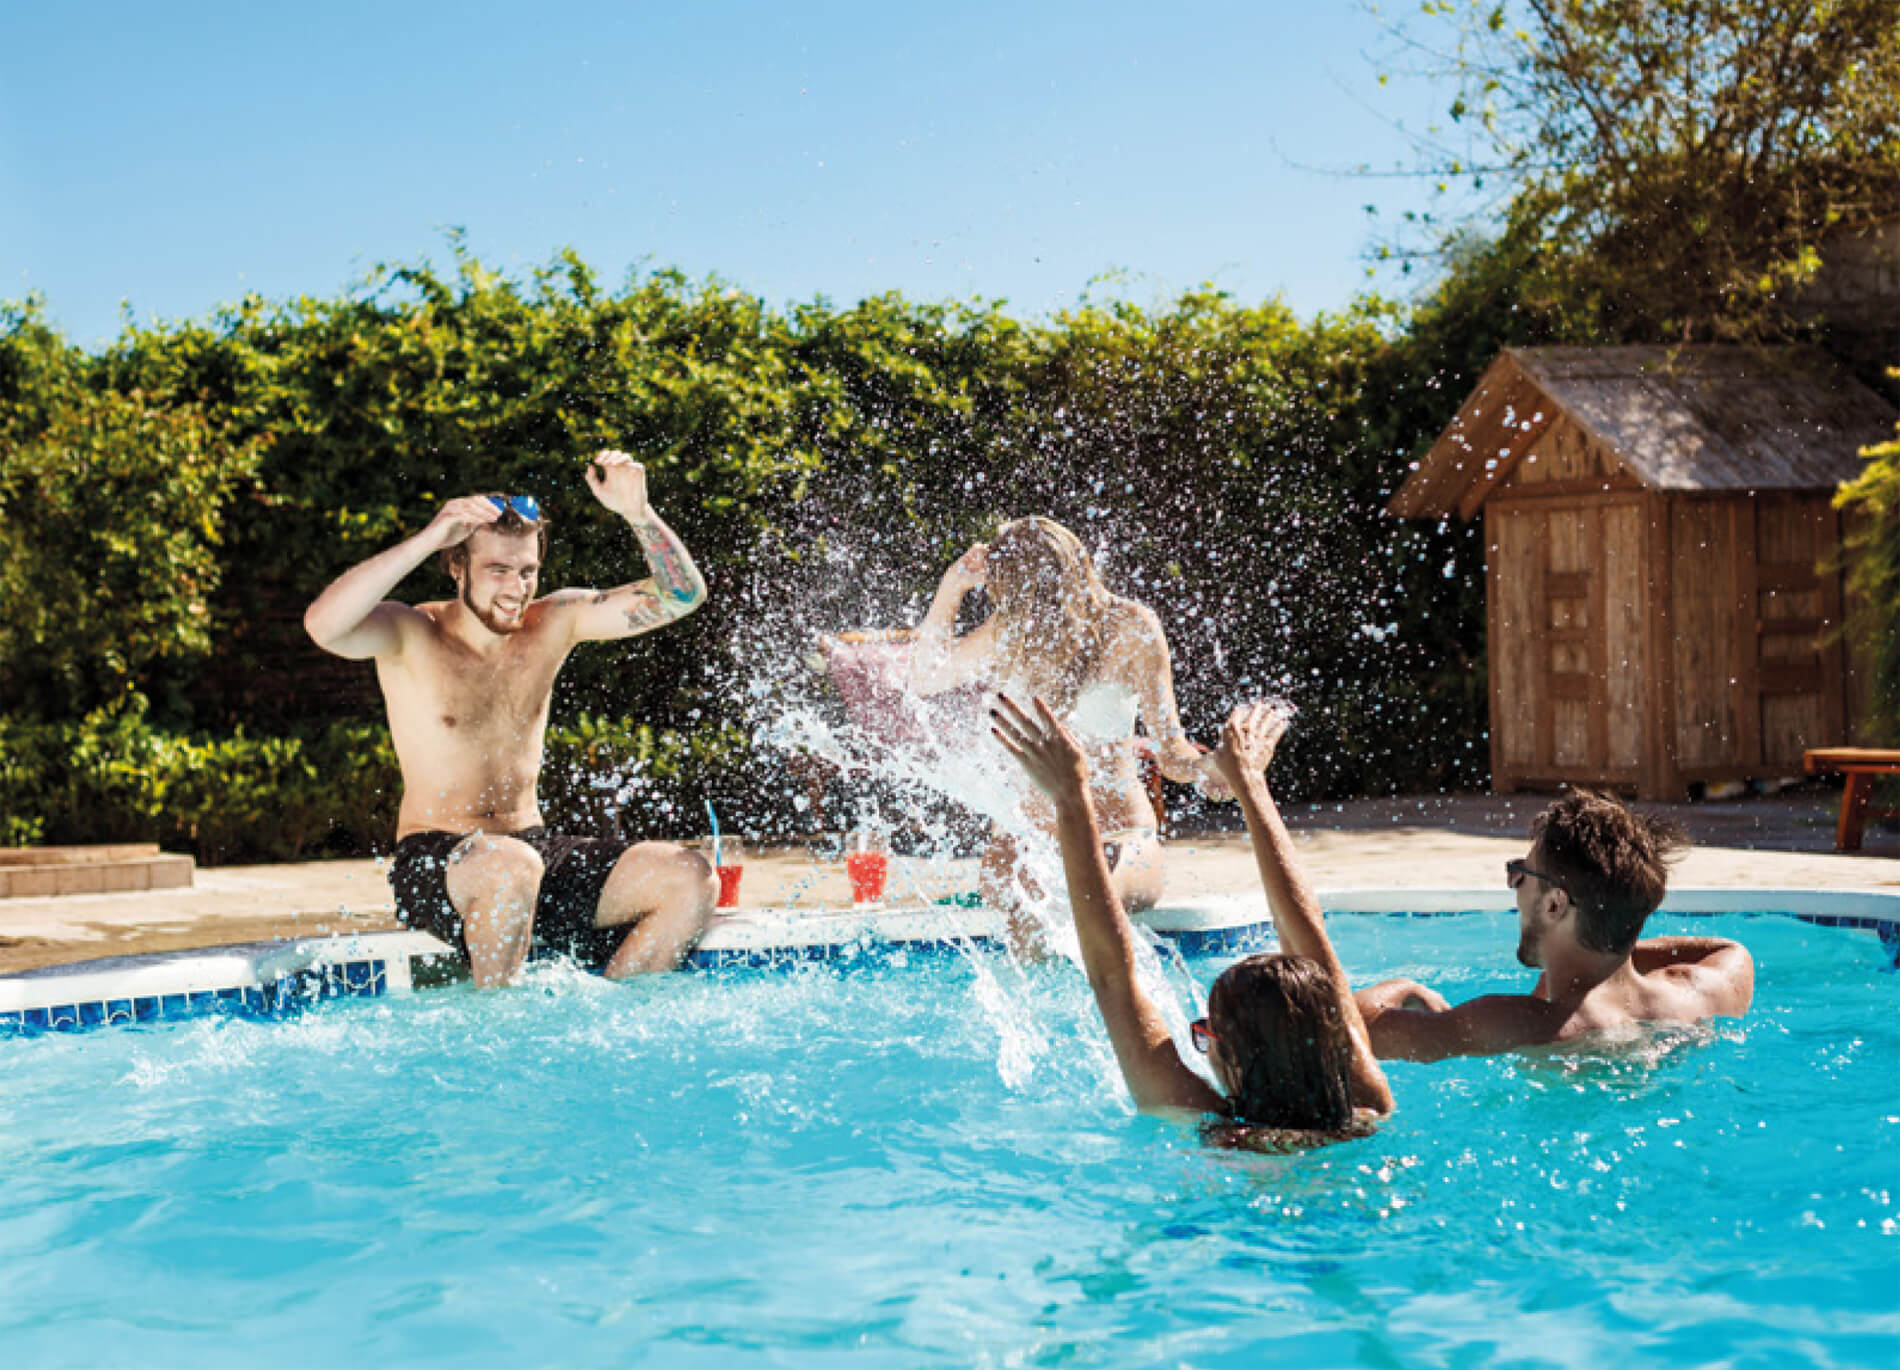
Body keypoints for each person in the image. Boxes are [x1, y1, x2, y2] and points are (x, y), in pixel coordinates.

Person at [304, 450, 718, 986]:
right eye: (497, 570)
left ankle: (612, 1027)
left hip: (532, 847)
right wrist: (431, 536)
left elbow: (682, 595)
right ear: (457, 567)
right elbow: (323, 625)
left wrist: (640, 515)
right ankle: (497, 1048)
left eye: (527, 571)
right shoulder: (412, 634)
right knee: (509, 868)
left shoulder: (553, 622)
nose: (515, 588)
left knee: (689, 878)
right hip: (437, 858)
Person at [991, 695, 1393, 1147]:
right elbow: (1307, 930)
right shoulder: (1368, 1102)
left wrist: (1071, 795)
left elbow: (1110, 977)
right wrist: (1251, 783)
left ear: (1239, 1061)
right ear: (1335, 1034)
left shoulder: (1217, 1128)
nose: (1201, 1041)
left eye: (1205, 1034)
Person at [908, 517, 1226, 942]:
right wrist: (951, 589)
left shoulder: (1131, 627)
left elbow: (1171, 754)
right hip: (1025, 845)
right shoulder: (1009, 633)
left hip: (1119, 837)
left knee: (1081, 910)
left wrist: (1211, 768)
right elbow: (925, 679)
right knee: (1033, 916)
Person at [1353, 791, 1755, 1059]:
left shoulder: (1517, 1024)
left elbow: (1340, 1030)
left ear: (1555, 904)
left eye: (1520, 874)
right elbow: (1729, 950)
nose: (1514, 887)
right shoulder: (1703, 995)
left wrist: (1402, 986)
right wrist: (1614, 940)